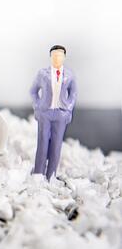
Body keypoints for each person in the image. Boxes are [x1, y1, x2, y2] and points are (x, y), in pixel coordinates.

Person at [30, 45, 77, 180]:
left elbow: (73, 93)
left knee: (56, 145)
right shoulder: (42, 74)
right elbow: (33, 91)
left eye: (60, 55)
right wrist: (37, 106)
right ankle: (38, 173)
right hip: (45, 112)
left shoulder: (69, 75)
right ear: (50, 57)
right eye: (54, 55)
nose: (57, 58)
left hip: (61, 113)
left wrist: (68, 108)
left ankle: (51, 175)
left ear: (64, 57)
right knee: (43, 142)